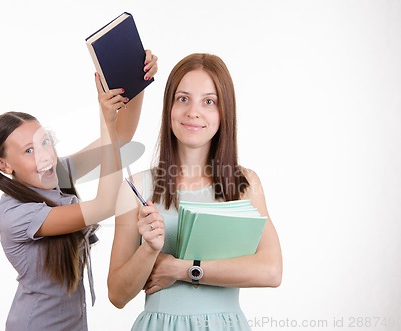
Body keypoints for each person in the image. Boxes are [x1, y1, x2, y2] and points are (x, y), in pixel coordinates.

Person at [0, 51, 158, 331]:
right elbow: (105, 204)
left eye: (45, 142)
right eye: (28, 151)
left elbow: (120, 137)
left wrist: (136, 80)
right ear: (4, 165)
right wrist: (105, 119)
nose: (45, 157)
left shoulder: (53, 175)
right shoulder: (17, 214)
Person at [108, 53, 282, 331]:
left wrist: (183, 269)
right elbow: (117, 295)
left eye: (209, 101)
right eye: (183, 98)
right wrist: (150, 250)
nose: (193, 112)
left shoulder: (245, 184)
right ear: (169, 107)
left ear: (224, 112)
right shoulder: (137, 188)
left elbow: (271, 271)